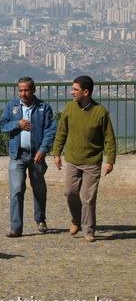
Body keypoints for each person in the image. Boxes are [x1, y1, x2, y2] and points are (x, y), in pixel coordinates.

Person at [52, 76, 116, 243]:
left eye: (75, 89)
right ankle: (76, 220)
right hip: (72, 159)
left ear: (86, 92)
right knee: (69, 192)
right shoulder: (69, 109)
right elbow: (61, 132)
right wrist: (57, 153)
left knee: (88, 197)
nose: (71, 92)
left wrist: (110, 160)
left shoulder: (100, 112)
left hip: (92, 162)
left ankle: (88, 230)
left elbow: (109, 137)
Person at [0, 77, 57, 237]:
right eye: (20, 90)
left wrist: (43, 150)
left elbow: (50, 130)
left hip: (36, 155)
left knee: (39, 189)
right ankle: (16, 227)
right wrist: (17, 124)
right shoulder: (12, 107)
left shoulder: (43, 108)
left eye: (26, 90)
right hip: (17, 154)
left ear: (33, 90)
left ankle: (40, 219)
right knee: (16, 190)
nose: (23, 93)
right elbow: (2, 125)